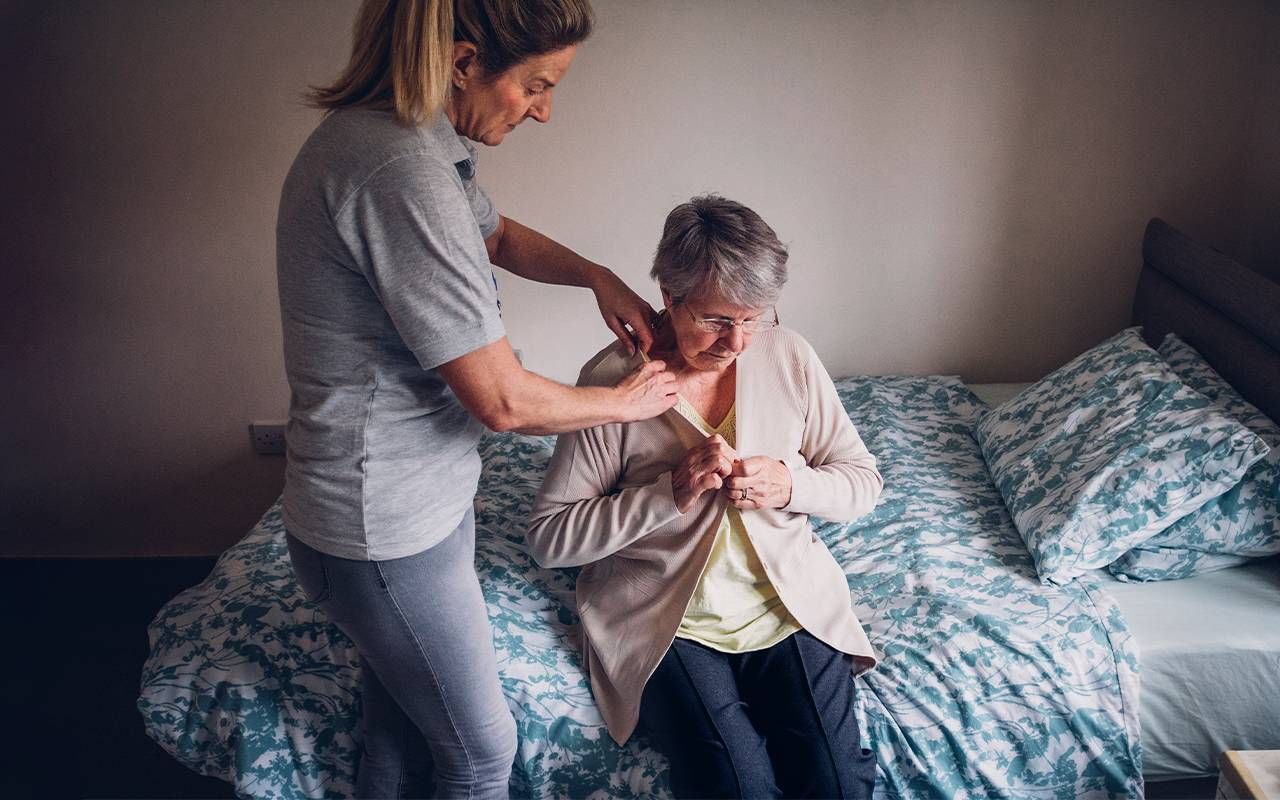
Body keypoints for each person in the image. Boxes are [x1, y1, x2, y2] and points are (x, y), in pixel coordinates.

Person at [275, 1, 678, 797]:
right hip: (382, 524)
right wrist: (627, 403)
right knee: (481, 753)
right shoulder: (397, 170)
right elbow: (500, 400)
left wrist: (595, 274)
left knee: (399, 719)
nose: (544, 110)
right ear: (464, 63)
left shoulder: (418, 142)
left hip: (400, 502)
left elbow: (489, 235)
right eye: (536, 84)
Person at [526, 195, 884, 799]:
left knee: (839, 780)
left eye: (755, 318)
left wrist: (791, 484)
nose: (737, 342)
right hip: (666, 617)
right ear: (670, 294)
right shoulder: (615, 383)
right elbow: (550, 538)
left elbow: (862, 481)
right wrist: (670, 494)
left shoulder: (789, 354)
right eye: (717, 320)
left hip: (787, 605)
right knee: (738, 784)